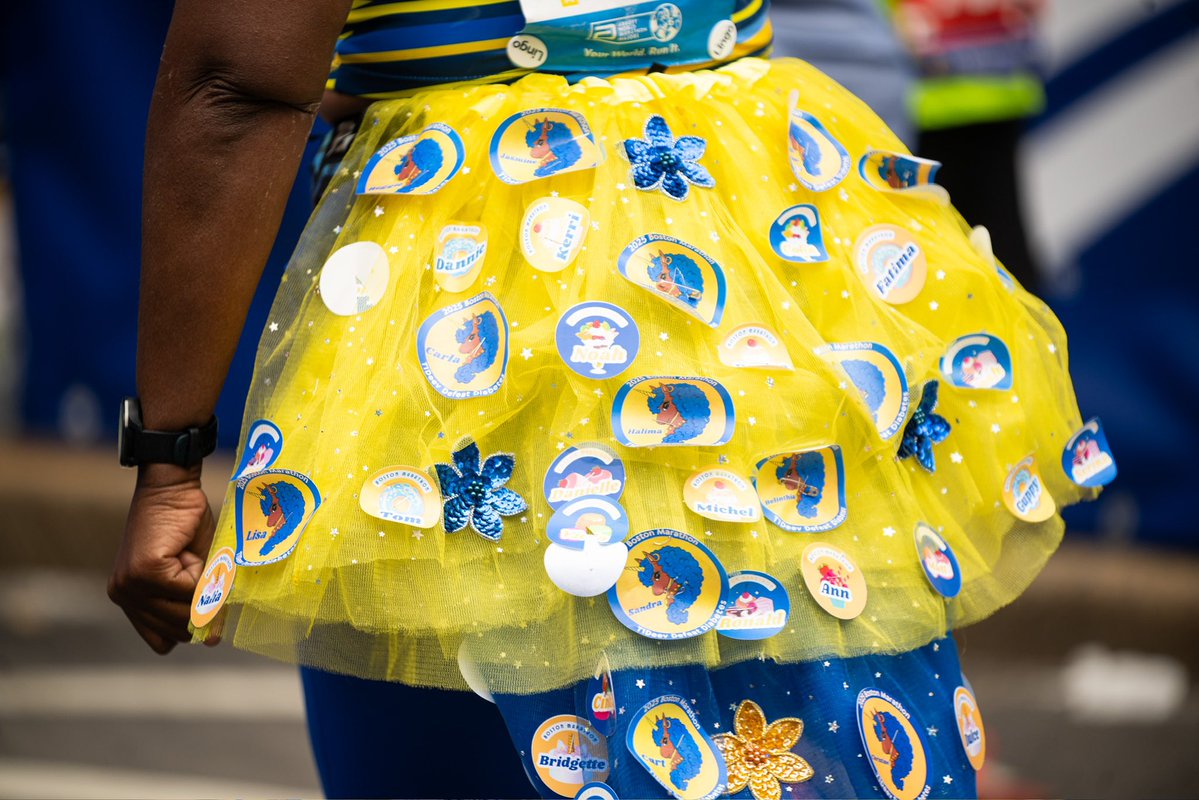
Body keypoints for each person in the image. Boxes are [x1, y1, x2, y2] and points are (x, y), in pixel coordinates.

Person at [108, 1, 1104, 798]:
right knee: (816, 718)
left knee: (451, 747)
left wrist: (168, 456)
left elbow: (235, 76)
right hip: (759, 226)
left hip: (473, 269)